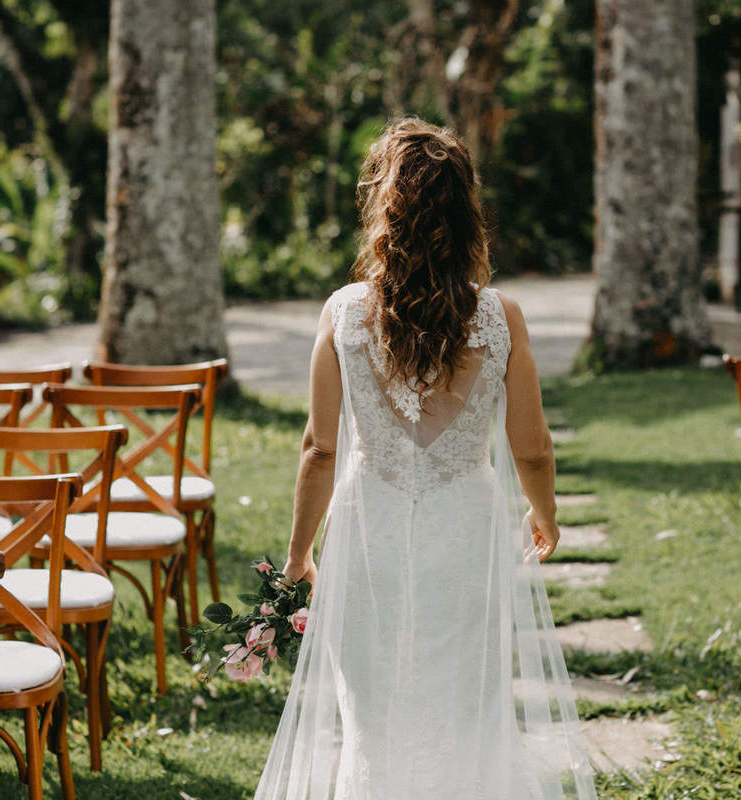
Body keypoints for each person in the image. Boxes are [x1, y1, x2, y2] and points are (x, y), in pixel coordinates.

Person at [255, 117, 596, 800]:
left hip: (368, 530)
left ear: (383, 211)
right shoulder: (500, 318)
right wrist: (546, 515)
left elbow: (320, 449)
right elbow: (531, 447)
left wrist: (298, 555)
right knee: (467, 708)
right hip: (465, 530)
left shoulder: (344, 313)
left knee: (373, 718)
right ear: (466, 214)